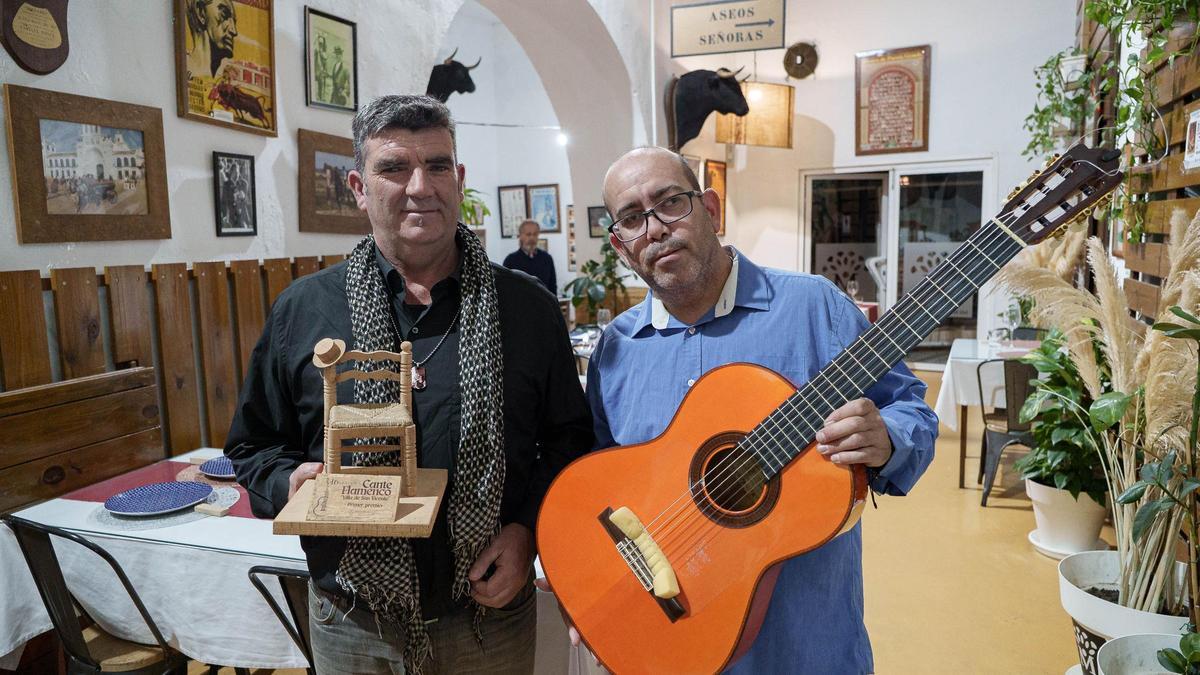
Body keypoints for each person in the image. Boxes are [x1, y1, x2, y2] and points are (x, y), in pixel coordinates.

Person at [226, 94, 593, 674]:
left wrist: (528, 531)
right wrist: (288, 480)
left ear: (459, 179)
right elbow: (251, 447)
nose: (420, 186)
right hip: (352, 623)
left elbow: (571, 443)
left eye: (438, 165)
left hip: (489, 624)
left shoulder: (527, 309)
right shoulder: (303, 312)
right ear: (357, 187)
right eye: (394, 168)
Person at [584, 147, 937, 673]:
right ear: (620, 245)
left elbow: (911, 408)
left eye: (670, 203)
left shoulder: (813, 307)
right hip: (673, 634)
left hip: (802, 643)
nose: (654, 228)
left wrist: (886, 436)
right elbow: (600, 485)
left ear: (711, 208)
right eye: (633, 218)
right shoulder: (617, 348)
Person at [185, 0, 238, 80]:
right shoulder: (182, 66)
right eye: (224, 15)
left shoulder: (225, 79)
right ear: (201, 13)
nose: (234, 31)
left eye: (234, 22)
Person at [502, 220, 557, 294]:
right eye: (528, 234)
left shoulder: (547, 258)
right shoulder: (510, 260)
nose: (532, 238)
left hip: (543, 304)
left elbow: (552, 287)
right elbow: (505, 287)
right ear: (520, 236)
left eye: (535, 234)